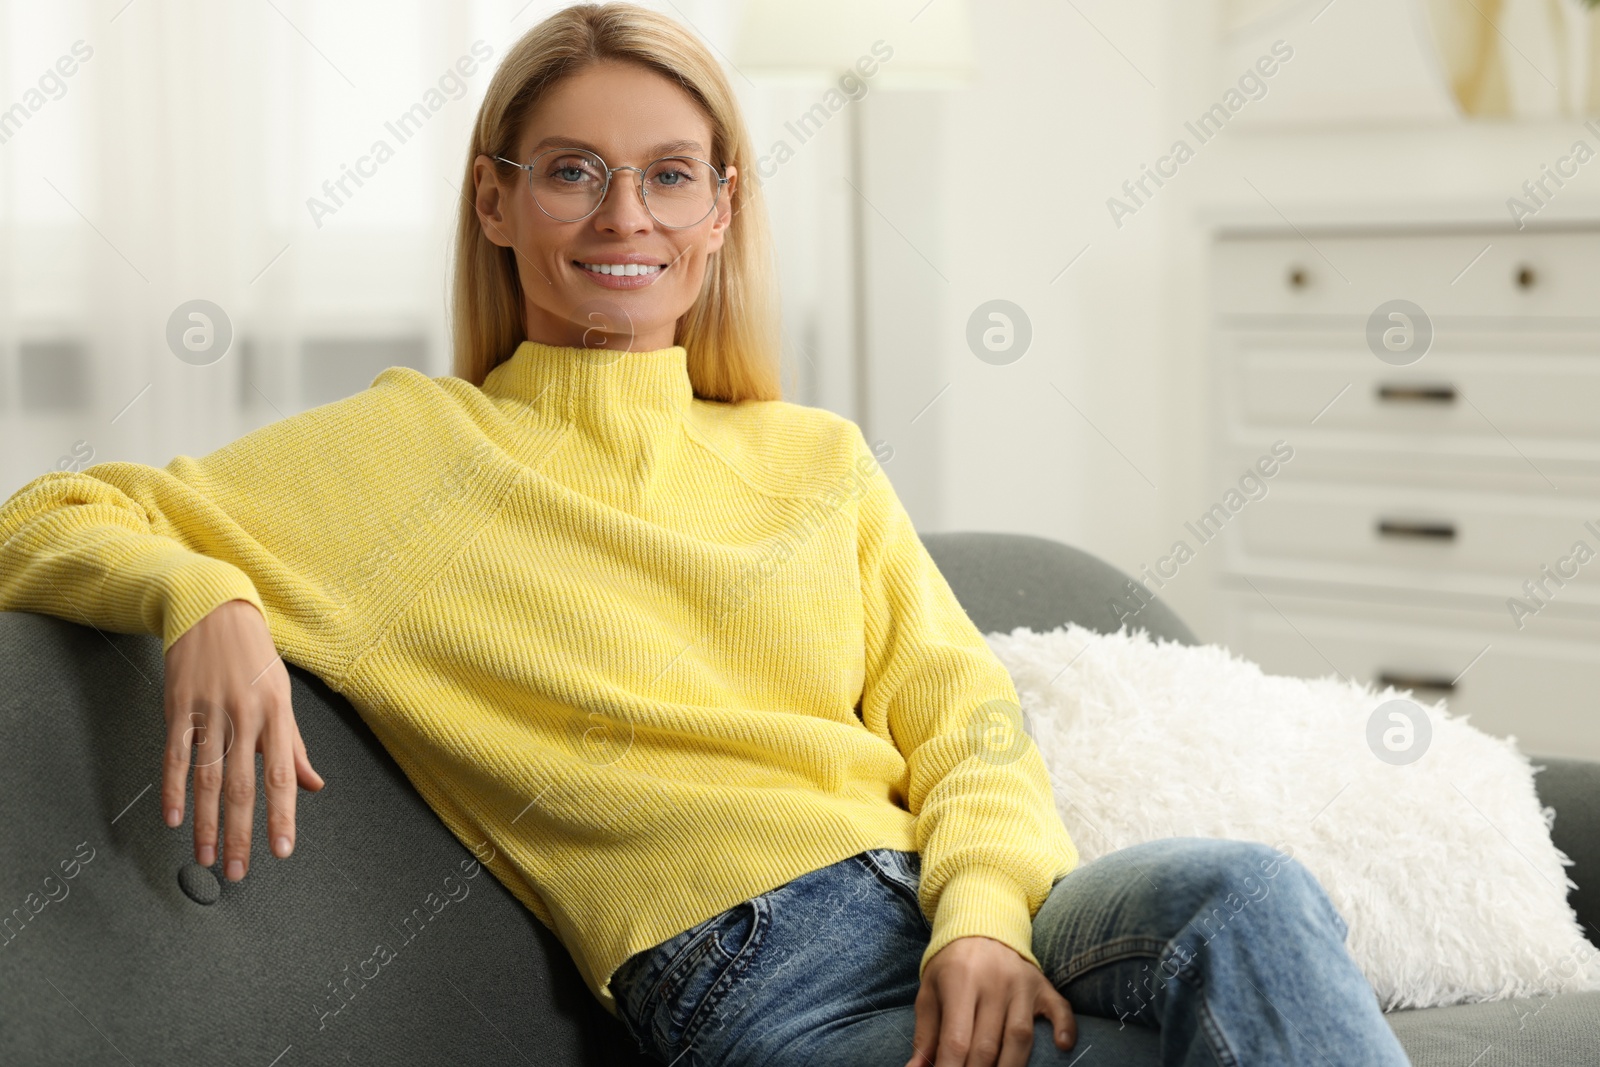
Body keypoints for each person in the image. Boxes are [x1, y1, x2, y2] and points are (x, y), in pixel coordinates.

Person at [0, 4, 1413, 1066]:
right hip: (763, 977)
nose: (626, 215)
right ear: (496, 200)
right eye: (572, 171)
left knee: (1250, 891)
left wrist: (980, 916)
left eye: (672, 176)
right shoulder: (408, 451)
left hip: (975, 909)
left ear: (724, 208)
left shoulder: (815, 457)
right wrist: (202, 596)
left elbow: (967, 722)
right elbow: (49, 515)